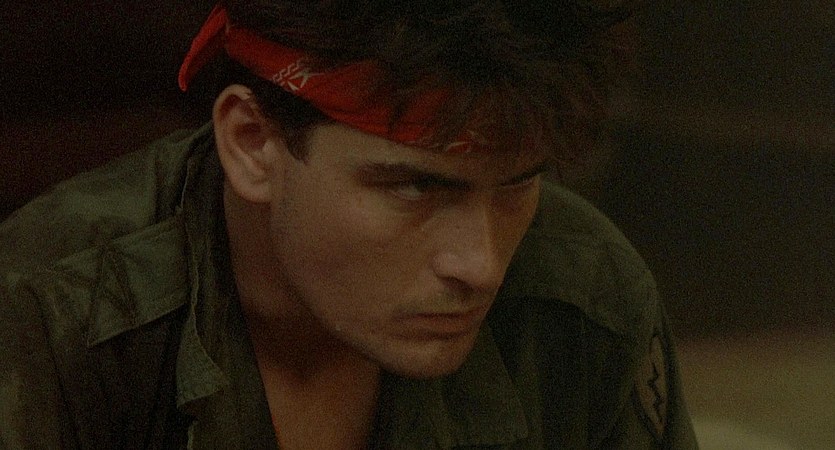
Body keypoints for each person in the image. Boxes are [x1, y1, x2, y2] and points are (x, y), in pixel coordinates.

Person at [0, 1, 698, 448]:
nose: (481, 265)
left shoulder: (585, 298)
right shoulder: (51, 319)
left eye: (516, 184)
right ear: (252, 143)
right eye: (416, 187)